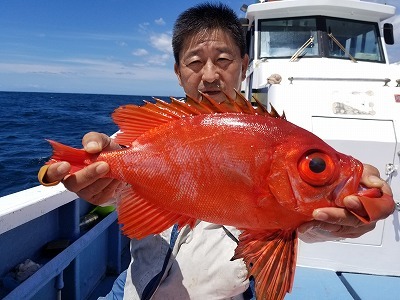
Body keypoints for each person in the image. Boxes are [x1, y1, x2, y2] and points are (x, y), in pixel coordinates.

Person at [38, 3, 394, 299]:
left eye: (223, 60)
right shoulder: (150, 136)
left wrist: (356, 216)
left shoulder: (279, 138)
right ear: (178, 72)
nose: (209, 75)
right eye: (194, 63)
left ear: (244, 63)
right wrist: (64, 171)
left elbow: (312, 226)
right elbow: (111, 177)